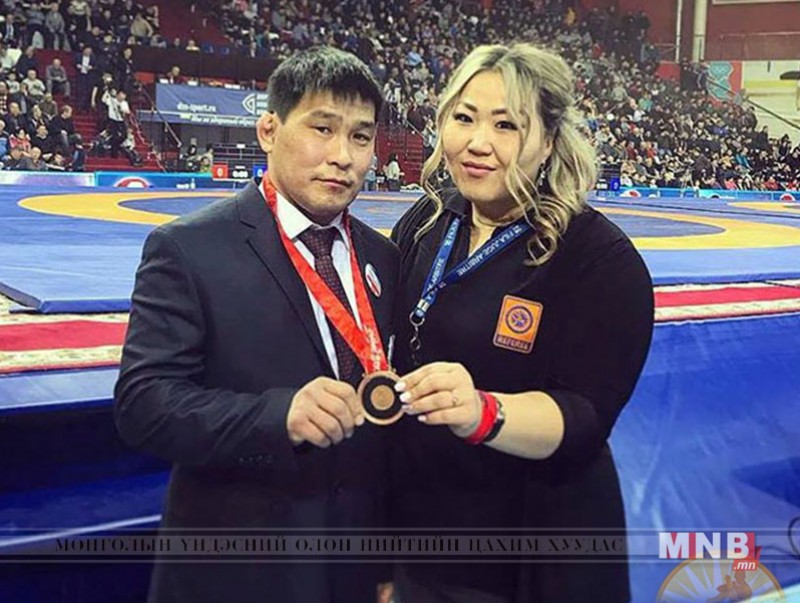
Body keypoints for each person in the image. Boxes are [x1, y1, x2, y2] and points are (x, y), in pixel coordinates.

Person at [114, 46, 398, 603]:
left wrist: (386, 563)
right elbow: (143, 404)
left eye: (360, 137)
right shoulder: (188, 248)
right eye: (322, 128)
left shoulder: (382, 258)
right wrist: (277, 415)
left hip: (352, 569)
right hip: (238, 569)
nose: (342, 156)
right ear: (269, 130)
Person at [389, 43, 654, 603]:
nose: (478, 142)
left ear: (549, 141)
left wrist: (482, 411)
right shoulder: (426, 222)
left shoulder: (599, 259)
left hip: (536, 551)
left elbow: (583, 417)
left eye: (506, 125)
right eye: (464, 118)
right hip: (426, 540)